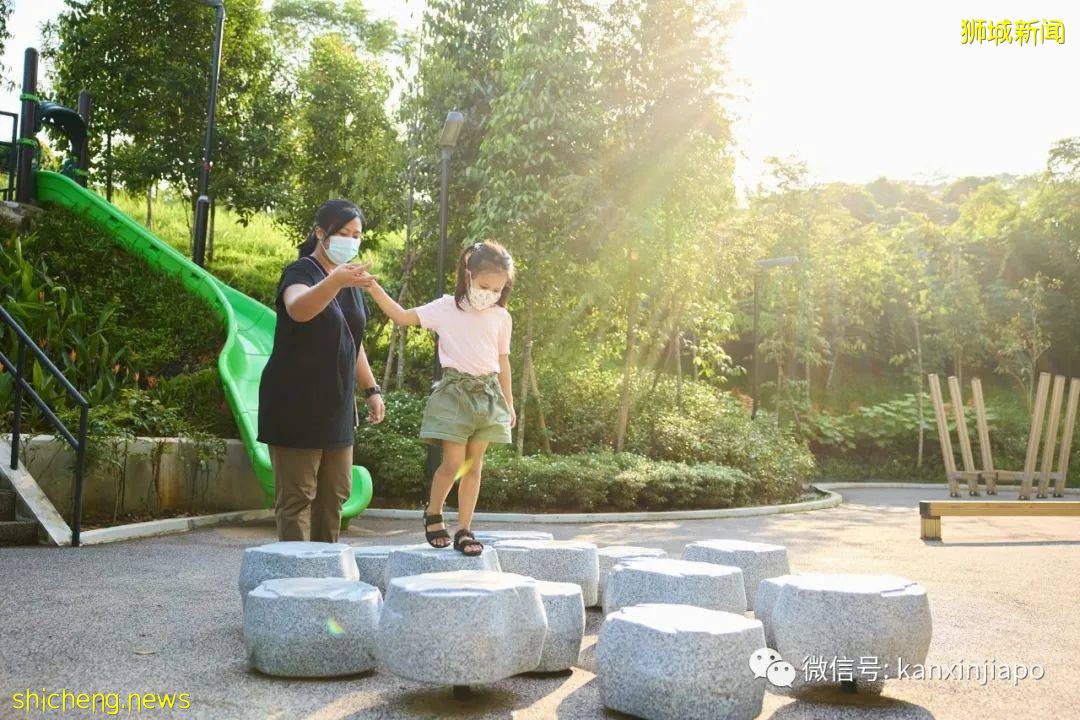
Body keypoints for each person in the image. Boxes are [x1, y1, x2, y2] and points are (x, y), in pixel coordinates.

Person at [361, 241, 516, 555]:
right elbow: (403, 317)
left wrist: (509, 402)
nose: (490, 293)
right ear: (468, 273)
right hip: (455, 393)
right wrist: (373, 287)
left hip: (487, 395)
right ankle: (434, 511)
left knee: (474, 466)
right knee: (453, 463)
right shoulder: (447, 307)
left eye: (498, 289)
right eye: (485, 285)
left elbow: (503, 361)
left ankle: (465, 529)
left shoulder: (502, 317)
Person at [257, 199, 385, 543]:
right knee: (297, 499)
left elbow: (352, 339)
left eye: (356, 234)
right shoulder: (301, 272)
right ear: (320, 232)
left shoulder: (349, 281)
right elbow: (299, 309)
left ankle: (325, 577)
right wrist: (336, 282)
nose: (351, 240)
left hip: (337, 408)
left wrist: (371, 389)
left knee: (335, 497)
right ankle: (296, 583)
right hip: (296, 406)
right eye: (343, 233)